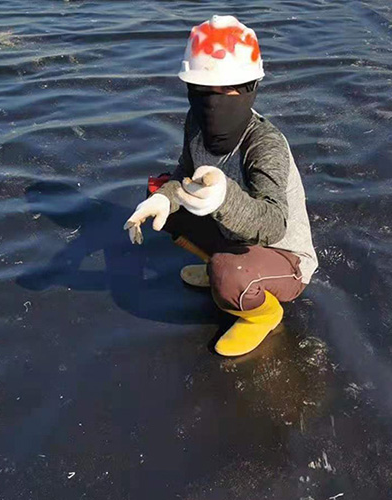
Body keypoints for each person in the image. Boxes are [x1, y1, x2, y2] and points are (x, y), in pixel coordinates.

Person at [124, 15, 318, 357]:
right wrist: (165, 199)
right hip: (231, 233)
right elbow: (184, 173)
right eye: (202, 91)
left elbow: (274, 223)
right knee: (161, 197)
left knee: (229, 274)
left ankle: (261, 314)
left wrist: (224, 197)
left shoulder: (264, 144)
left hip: (283, 254)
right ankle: (221, 269)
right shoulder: (195, 124)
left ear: (249, 88)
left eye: (226, 91)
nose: (212, 103)